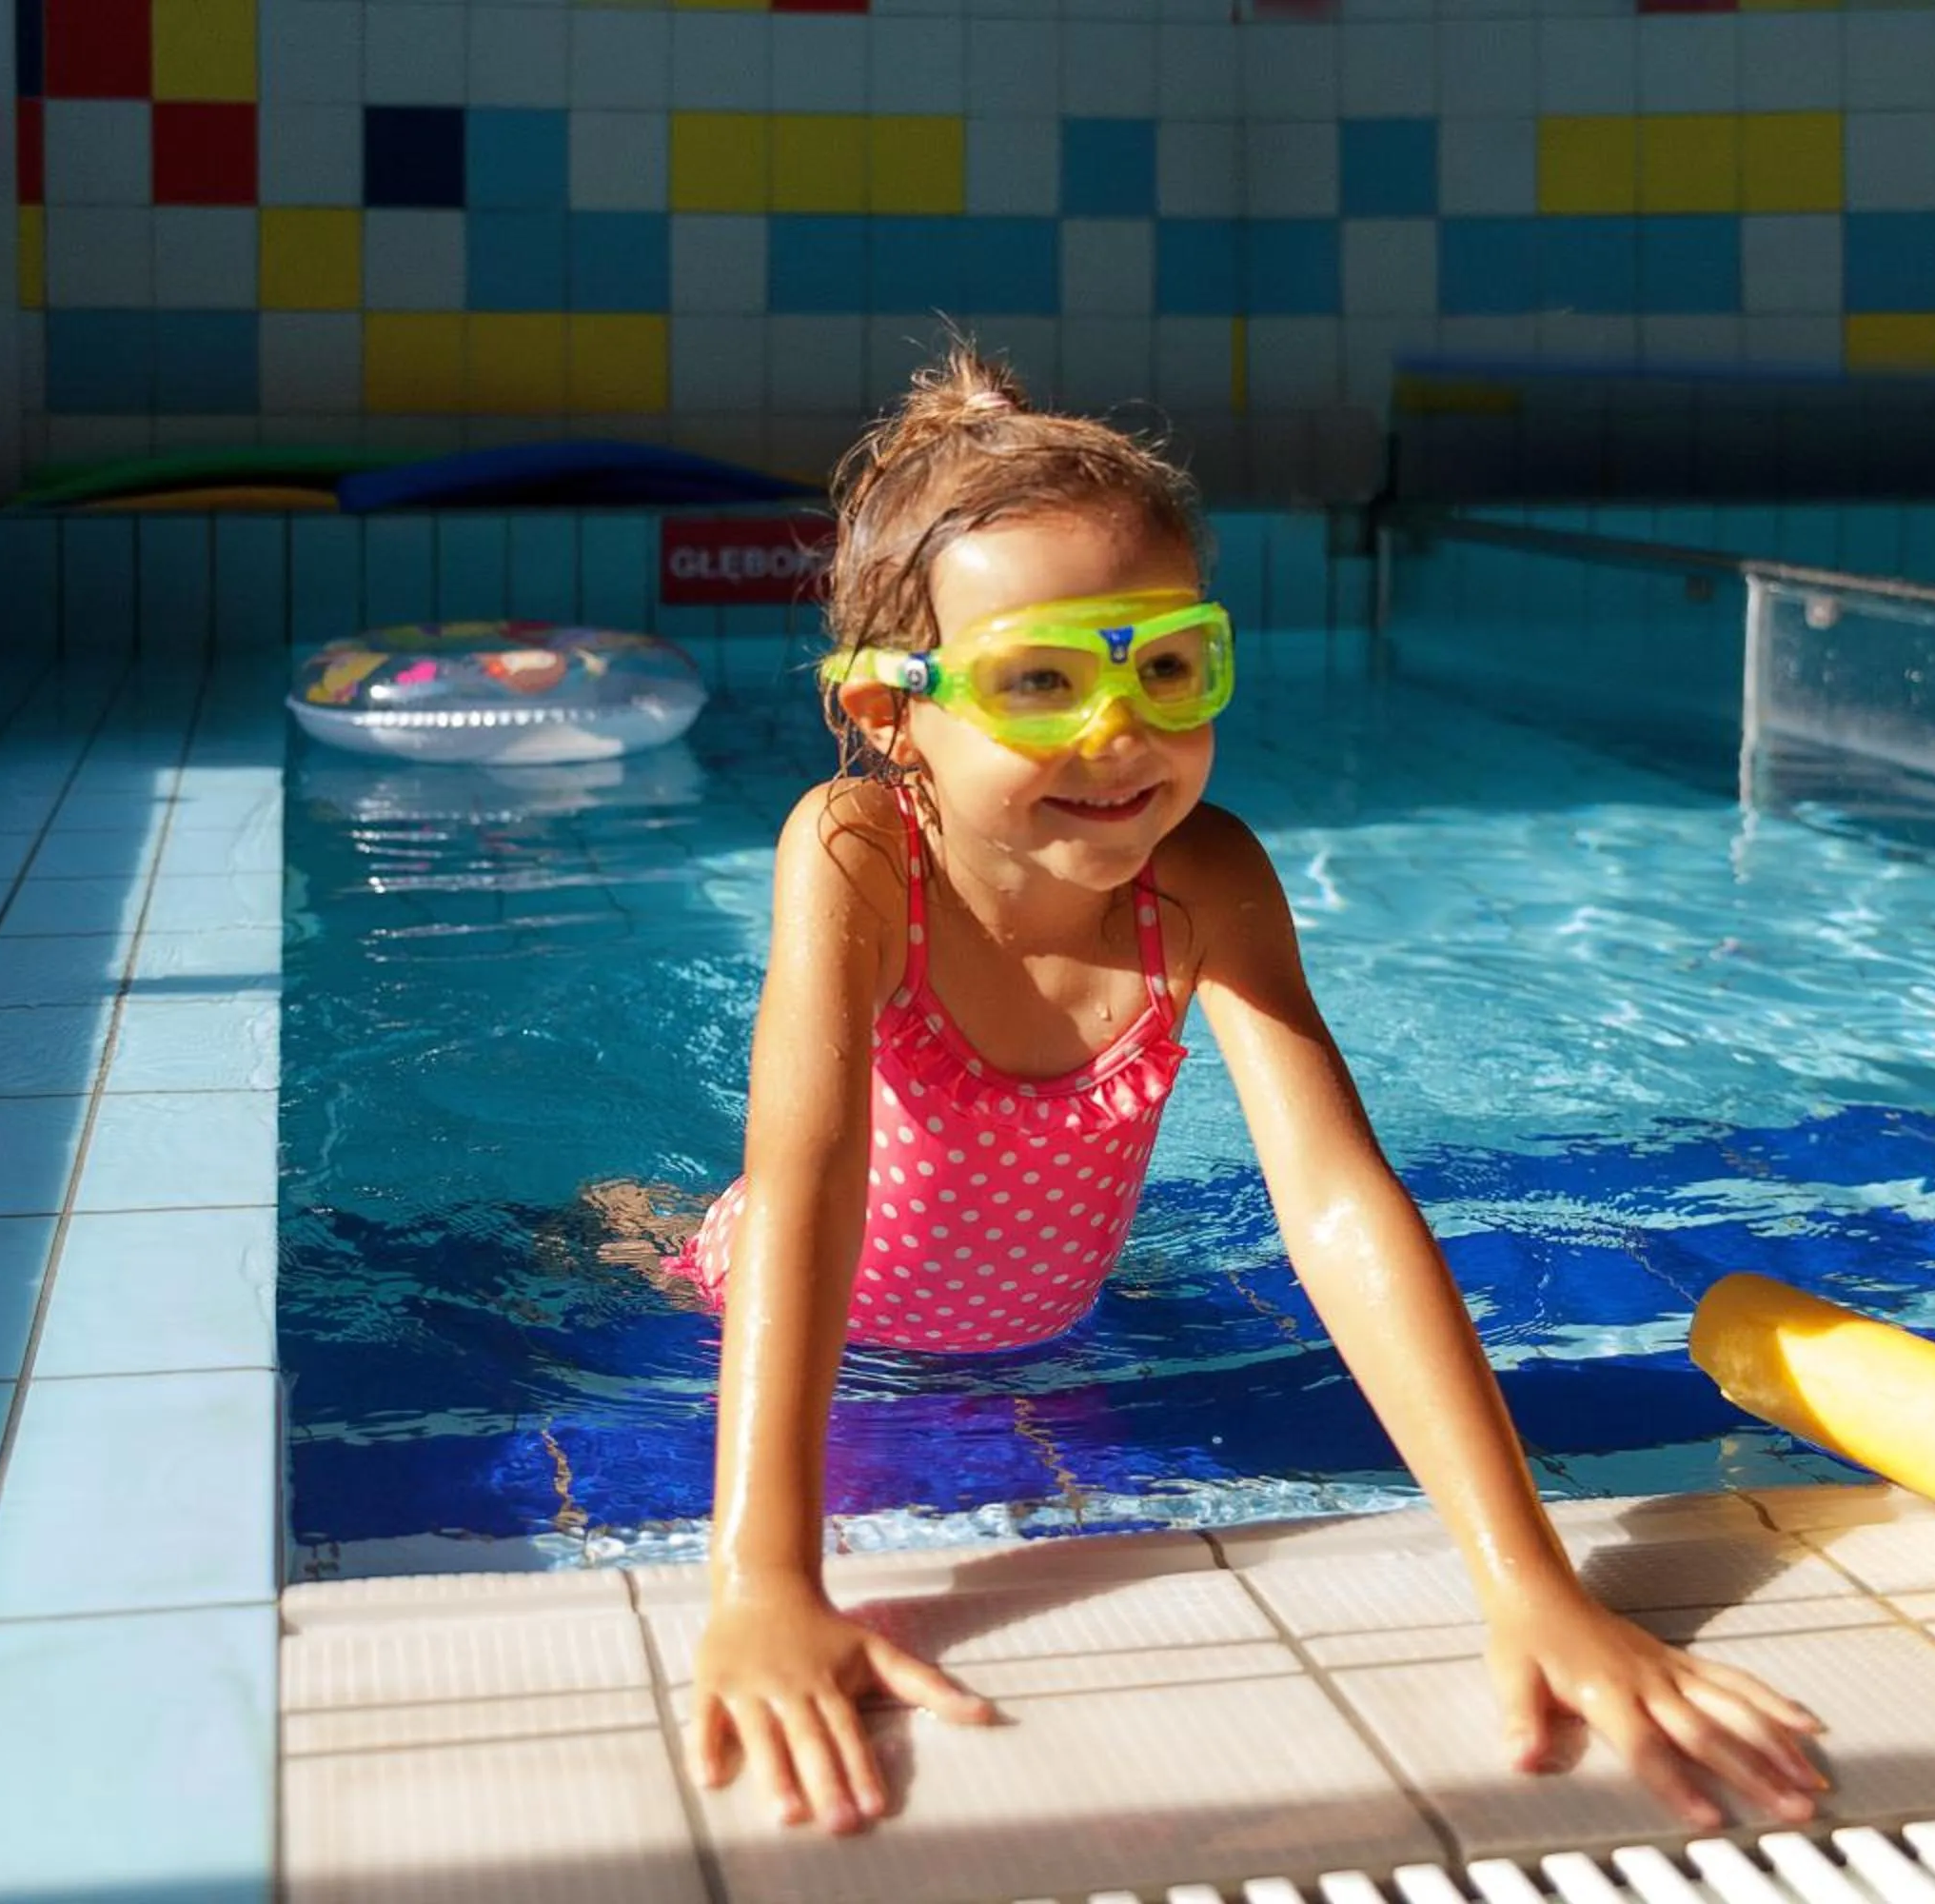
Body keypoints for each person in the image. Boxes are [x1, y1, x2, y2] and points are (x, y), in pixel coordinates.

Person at [663, 340, 1829, 1836]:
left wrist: (1532, 1582)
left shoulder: (1205, 883)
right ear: (891, 714)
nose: (1119, 735)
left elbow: (1337, 1201)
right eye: (1039, 681)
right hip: (770, 1279)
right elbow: (812, 1178)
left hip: (1045, 1314)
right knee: (650, 1241)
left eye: (1165, 666)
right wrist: (764, 1580)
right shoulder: (854, 855)